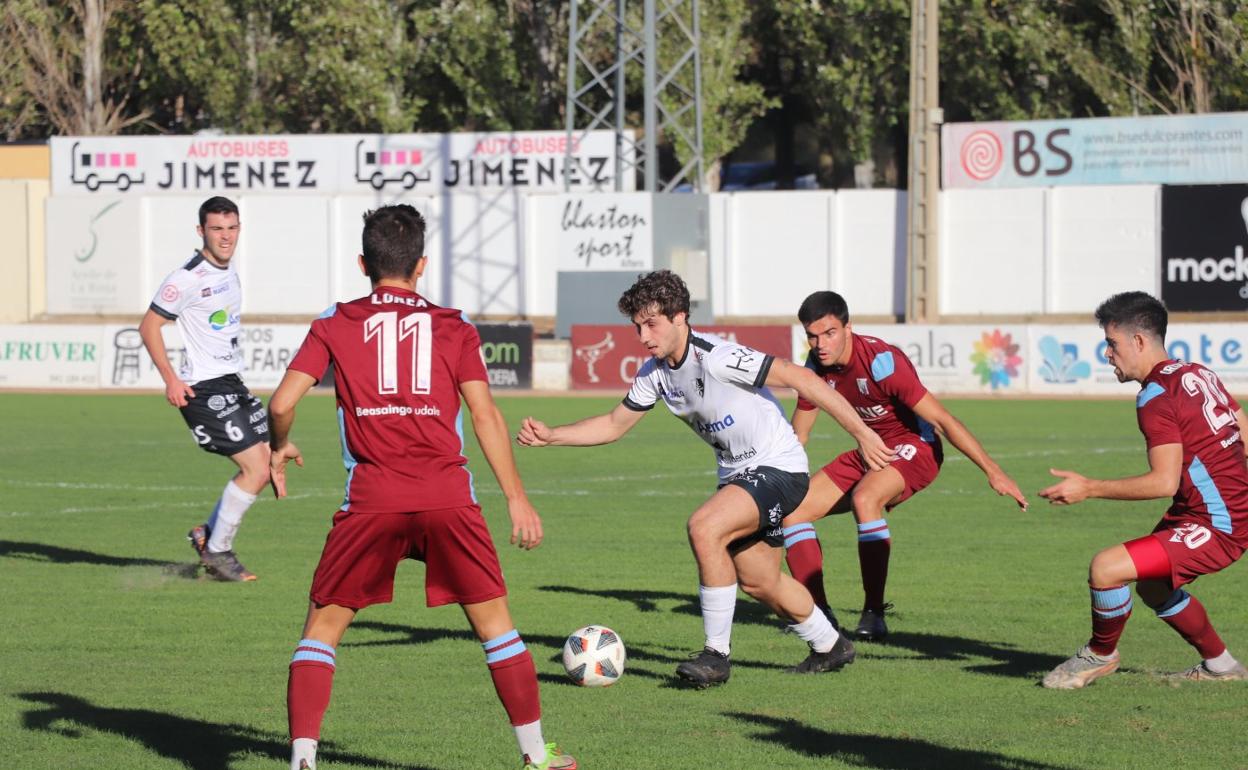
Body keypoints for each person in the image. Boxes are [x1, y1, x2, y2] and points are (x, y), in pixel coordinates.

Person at [267, 205, 575, 770]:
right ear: (422, 265)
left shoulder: (334, 322)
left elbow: (282, 402)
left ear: (363, 263)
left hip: (371, 499)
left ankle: (304, 760)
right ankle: (537, 757)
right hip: (448, 497)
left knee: (322, 629)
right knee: (497, 630)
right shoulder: (453, 326)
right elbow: (483, 416)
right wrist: (516, 497)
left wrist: (279, 444)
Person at [517, 270, 895, 686]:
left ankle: (716, 657)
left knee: (704, 527)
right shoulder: (654, 373)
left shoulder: (717, 357)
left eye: (651, 324)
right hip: (740, 473)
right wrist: (554, 436)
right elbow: (612, 424)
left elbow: (801, 378)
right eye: (637, 326)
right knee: (760, 580)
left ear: (680, 318)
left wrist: (862, 433)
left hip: (778, 467)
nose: (643, 336)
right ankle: (831, 645)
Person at [780, 291, 1028, 639]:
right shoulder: (814, 368)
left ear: (848, 327)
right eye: (812, 335)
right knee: (792, 512)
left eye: (830, 333)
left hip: (916, 446)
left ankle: (874, 613)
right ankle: (817, 617)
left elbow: (942, 420)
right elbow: (799, 434)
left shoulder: (883, 362)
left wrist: (993, 471)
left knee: (866, 499)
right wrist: (777, 483)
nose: (821, 344)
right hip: (871, 450)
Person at [1039, 291, 1248, 689]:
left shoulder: (1155, 396)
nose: (1107, 354)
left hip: (1217, 523)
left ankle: (1100, 655)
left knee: (1105, 568)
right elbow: (1244, 432)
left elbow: (1162, 481)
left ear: (1138, 340)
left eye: (1111, 343)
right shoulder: (1197, 373)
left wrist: (1089, 487)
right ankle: (1221, 665)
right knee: (1153, 586)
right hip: (1209, 512)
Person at [138, 196, 269, 582]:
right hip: (202, 387)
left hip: (231, 381)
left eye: (231, 228)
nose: (226, 237)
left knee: (264, 463)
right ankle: (218, 552)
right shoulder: (187, 278)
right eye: (217, 229)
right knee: (256, 468)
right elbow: (148, 327)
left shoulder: (229, 271)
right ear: (201, 232)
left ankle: (208, 536)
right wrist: (170, 380)